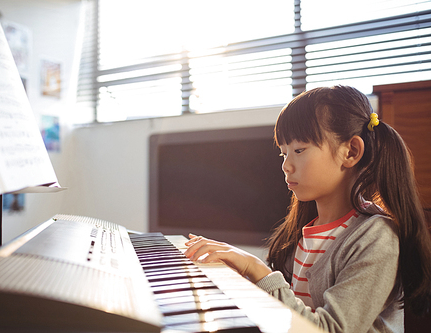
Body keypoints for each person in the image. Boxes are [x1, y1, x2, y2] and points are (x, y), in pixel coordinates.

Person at [184, 85, 431, 333]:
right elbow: (289, 314)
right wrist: (241, 276)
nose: (286, 166)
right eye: (283, 153)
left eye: (299, 150)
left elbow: (329, 329)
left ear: (351, 152)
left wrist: (256, 269)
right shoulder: (306, 231)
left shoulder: (376, 237)